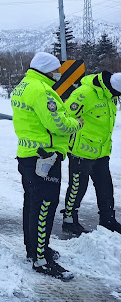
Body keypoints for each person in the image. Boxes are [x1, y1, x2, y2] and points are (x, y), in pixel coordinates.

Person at [11, 51, 82, 280]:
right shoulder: (42, 91)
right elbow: (57, 123)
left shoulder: (24, 86)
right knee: (44, 207)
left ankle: (34, 250)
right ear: (46, 70)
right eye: (56, 71)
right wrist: (76, 123)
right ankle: (41, 260)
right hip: (45, 157)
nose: (58, 74)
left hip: (28, 155)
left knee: (32, 204)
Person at [60, 71, 121, 235]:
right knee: (77, 188)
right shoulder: (84, 94)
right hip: (81, 151)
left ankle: (108, 219)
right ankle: (69, 220)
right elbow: (65, 117)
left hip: (102, 152)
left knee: (106, 187)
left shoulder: (110, 96)